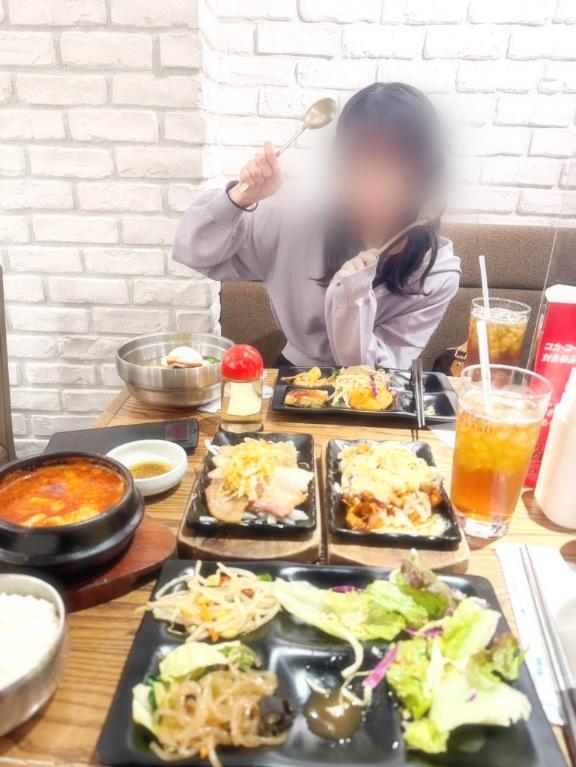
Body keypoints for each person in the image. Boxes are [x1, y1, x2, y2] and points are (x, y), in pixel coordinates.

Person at [173, 82, 461, 369]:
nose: (368, 184)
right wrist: (240, 197)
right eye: (355, 162)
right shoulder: (297, 226)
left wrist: (353, 294)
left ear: (425, 172)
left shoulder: (435, 272)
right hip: (291, 382)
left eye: (388, 166)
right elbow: (195, 252)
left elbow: (375, 367)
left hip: (376, 389)